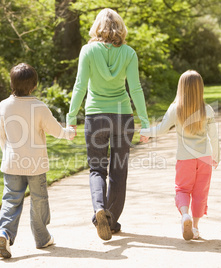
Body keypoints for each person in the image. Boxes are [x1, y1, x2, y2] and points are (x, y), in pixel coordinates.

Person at [66, 8, 150, 241]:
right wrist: (144, 121)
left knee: (96, 169)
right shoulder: (129, 53)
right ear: (120, 28)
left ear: (97, 27)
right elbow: (135, 88)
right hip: (123, 117)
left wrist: (71, 118)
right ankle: (110, 221)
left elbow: (80, 86)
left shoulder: (88, 50)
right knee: (118, 170)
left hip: (96, 118)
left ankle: (99, 209)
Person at [0, 63, 75, 258]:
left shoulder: (4, 105)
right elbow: (56, 130)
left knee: (11, 200)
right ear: (34, 86)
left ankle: (3, 232)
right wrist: (68, 133)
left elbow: (1, 134)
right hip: (35, 164)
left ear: (11, 83)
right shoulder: (39, 106)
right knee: (39, 200)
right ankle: (42, 238)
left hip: (12, 162)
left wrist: (7, 153)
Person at [140, 70, 220, 240]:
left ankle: (185, 215)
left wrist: (144, 132)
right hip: (205, 158)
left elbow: (161, 130)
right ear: (200, 89)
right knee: (200, 192)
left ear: (181, 88)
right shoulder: (207, 110)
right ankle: (196, 228)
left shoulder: (175, 109)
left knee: (183, 189)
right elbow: (214, 136)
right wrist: (216, 156)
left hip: (185, 159)